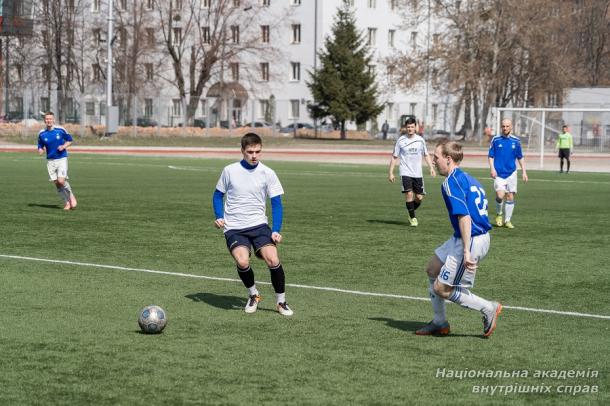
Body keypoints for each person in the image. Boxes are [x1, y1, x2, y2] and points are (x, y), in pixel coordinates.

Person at [415, 140, 502, 338]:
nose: (434, 161)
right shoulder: (468, 178)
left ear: (448, 158)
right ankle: (439, 323)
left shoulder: (450, 182)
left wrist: (466, 250)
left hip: (471, 238)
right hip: (466, 236)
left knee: (442, 288)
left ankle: (488, 308)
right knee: (432, 269)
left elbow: (465, 216)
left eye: (436, 157)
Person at [212, 133, 293, 316]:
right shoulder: (229, 170)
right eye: (250, 152)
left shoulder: (268, 173)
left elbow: (276, 203)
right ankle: (253, 294)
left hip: (258, 225)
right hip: (234, 227)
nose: (254, 155)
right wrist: (219, 216)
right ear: (242, 151)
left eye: (258, 151)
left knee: (273, 259)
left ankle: (281, 302)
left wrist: (276, 230)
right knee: (242, 261)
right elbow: (218, 195)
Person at [388, 117, 436, 227]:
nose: (410, 129)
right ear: (405, 128)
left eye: (412, 127)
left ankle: (410, 212)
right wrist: (391, 172)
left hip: (417, 173)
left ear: (415, 127)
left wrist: (431, 168)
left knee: (419, 197)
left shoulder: (420, 140)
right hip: (405, 172)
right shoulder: (400, 140)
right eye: (408, 127)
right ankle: (413, 218)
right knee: (409, 194)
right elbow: (394, 157)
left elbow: (426, 155)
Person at [488, 119, 528, 229]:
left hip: (511, 173)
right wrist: (492, 169)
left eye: (507, 126)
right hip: (499, 173)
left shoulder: (516, 141)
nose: (505, 128)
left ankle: (507, 220)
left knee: (510, 196)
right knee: (500, 195)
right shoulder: (496, 140)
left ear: (511, 127)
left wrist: (524, 171)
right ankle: (499, 214)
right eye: (503, 126)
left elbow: (520, 157)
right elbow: (490, 156)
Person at [37, 111, 77, 210]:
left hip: (61, 158)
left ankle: (71, 195)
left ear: (53, 120)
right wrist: (40, 150)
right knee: (57, 184)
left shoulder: (60, 130)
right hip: (50, 161)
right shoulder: (41, 133)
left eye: (50, 119)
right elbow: (40, 145)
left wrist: (63, 146)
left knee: (61, 181)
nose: (48, 121)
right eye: (47, 119)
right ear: (44, 120)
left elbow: (70, 140)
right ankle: (66, 202)